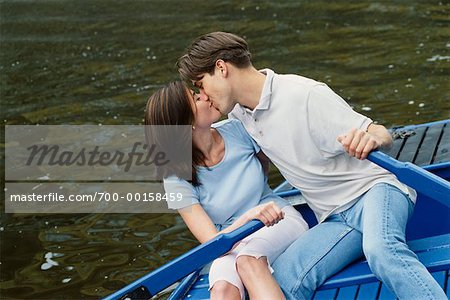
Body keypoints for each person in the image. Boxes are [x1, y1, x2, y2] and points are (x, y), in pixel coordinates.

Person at [176, 32, 447, 299]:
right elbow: (194, 136)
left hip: (375, 191)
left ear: (221, 68)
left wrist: (368, 138)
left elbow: (381, 132)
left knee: (381, 250)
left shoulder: (303, 95)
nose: (203, 95)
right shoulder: (239, 114)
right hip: (332, 217)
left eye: (201, 84)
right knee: (282, 282)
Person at [145, 81, 308, 300]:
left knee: (249, 262)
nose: (204, 96)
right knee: (222, 290)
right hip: (229, 242)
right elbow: (213, 243)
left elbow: (267, 164)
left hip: (276, 218)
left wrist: (257, 213)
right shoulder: (175, 176)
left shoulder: (238, 130)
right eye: (195, 99)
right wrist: (248, 216)